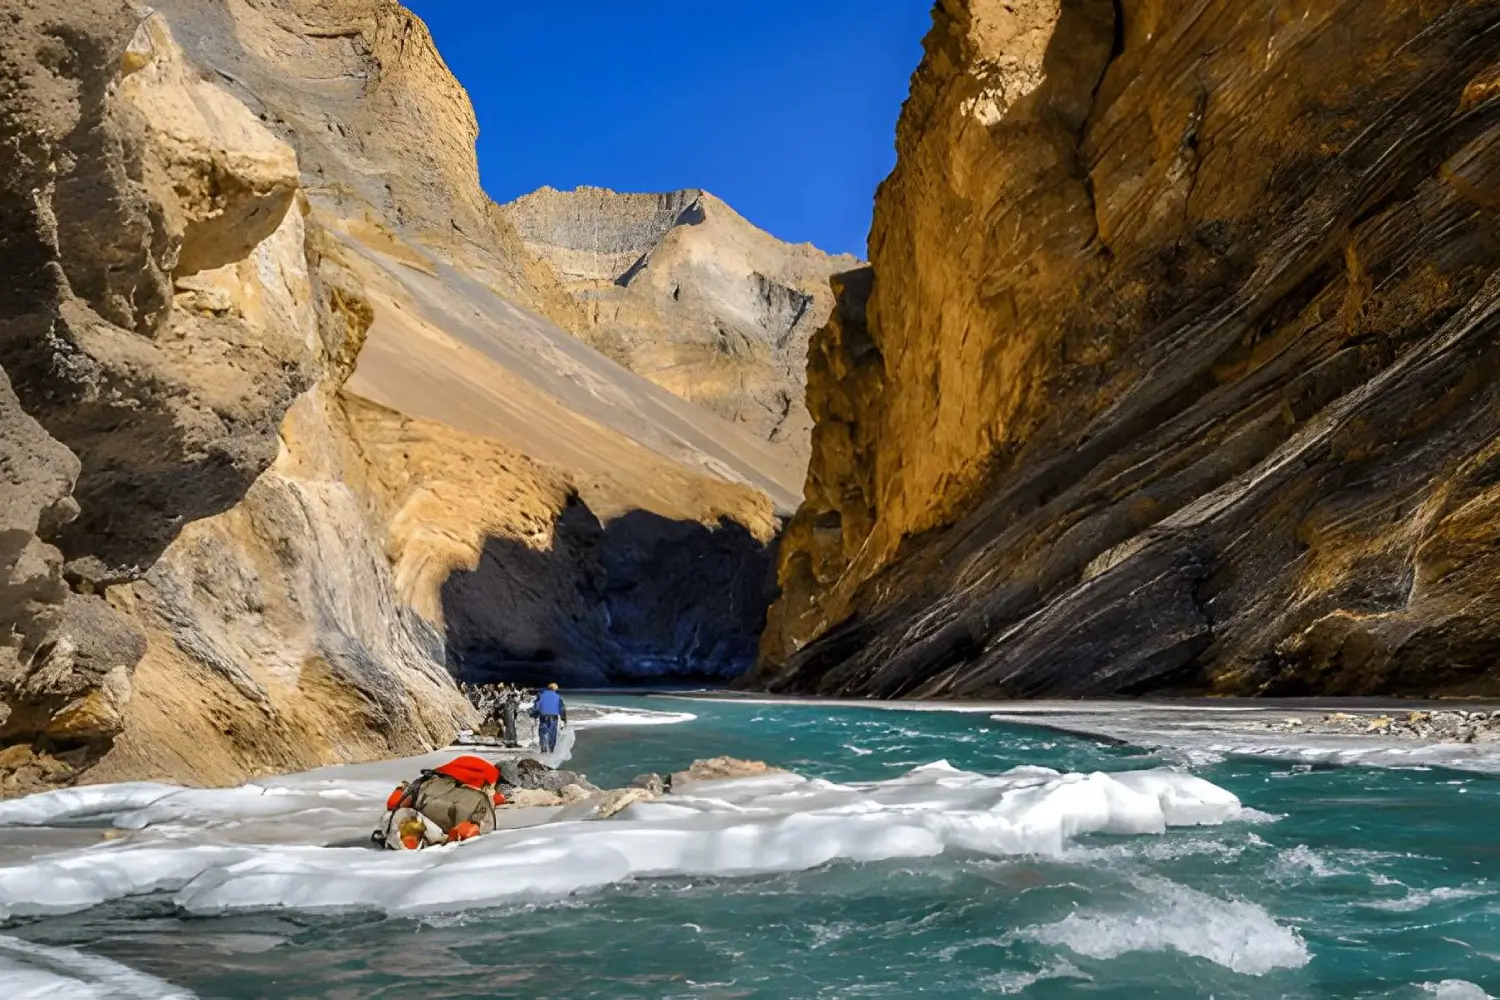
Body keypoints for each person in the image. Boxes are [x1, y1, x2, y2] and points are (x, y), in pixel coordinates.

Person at [374, 754, 506, 850]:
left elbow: (395, 803)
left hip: (423, 809)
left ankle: (408, 835)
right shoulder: (483, 793)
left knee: (391, 818)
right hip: (453, 823)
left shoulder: (428, 780)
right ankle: (422, 837)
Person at [531, 682, 567, 754]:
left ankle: (543, 750)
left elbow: (536, 707)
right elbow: (562, 709)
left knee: (542, 733)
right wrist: (564, 719)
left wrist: (534, 715)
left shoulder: (541, 695)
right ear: (555, 689)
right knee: (552, 735)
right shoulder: (557, 696)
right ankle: (551, 752)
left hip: (543, 717)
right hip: (553, 718)